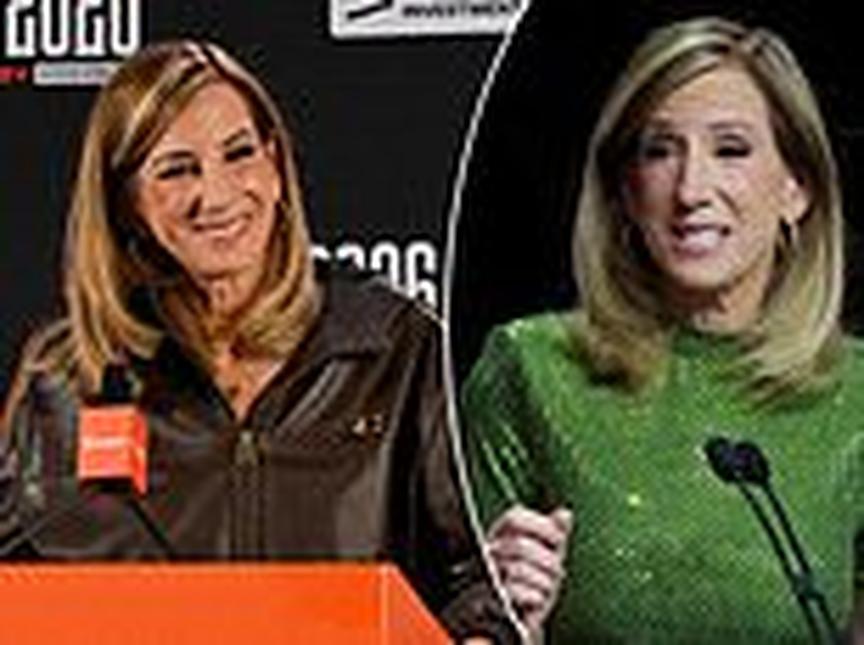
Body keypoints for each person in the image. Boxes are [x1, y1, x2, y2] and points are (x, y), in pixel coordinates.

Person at [0, 40, 519, 643]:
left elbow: (486, 577)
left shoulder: (397, 349)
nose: (217, 194)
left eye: (239, 153)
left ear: (274, 166)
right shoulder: (70, 379)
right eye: (176, 169)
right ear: (127, 202)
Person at [461, 16, 864, 643]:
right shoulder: (531, 368)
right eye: (659, 151)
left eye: (730, 149)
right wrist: (513, 626)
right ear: (625, 191)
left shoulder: (856, 393)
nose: (690, 189)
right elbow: (459, 619)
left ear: (796, 189)